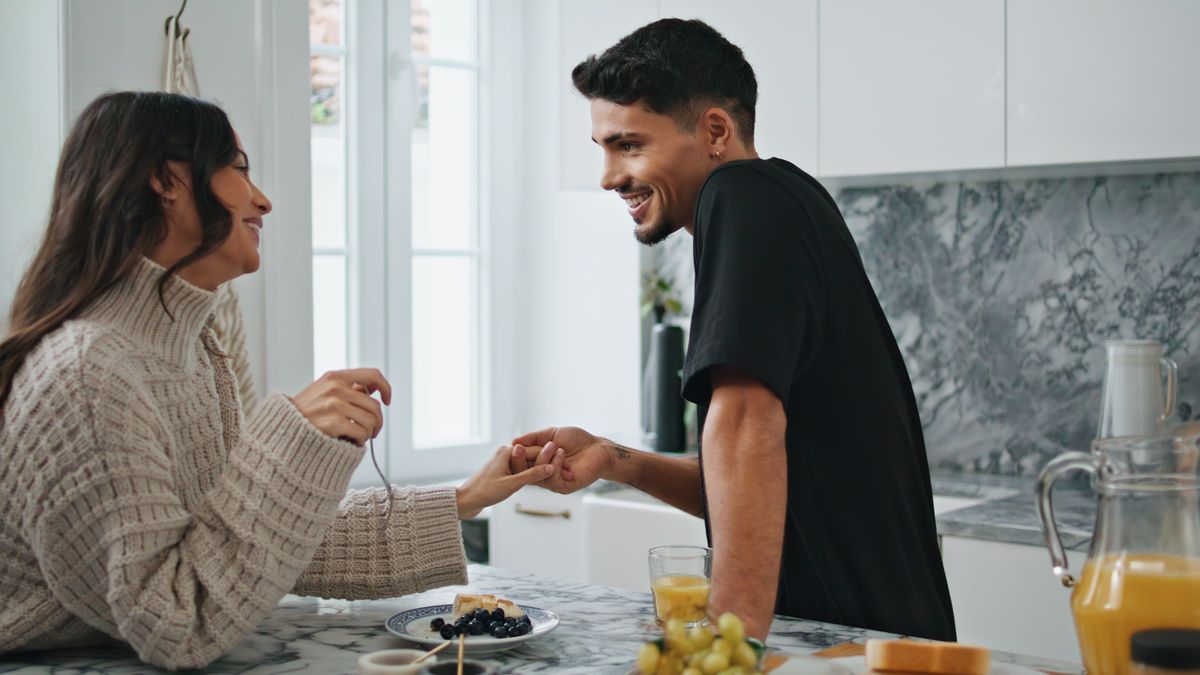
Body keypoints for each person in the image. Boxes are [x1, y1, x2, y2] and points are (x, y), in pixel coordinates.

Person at [0, 91, 562, 669]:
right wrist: (287, 438)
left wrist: (464, 499)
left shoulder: (191, 349)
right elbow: (180, 622)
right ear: (167, 180)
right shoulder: (88, 375)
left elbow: (255, 549)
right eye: (239, 169)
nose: (263, 200)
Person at [511, 19, 955, 641]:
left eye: (629, 145)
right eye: (602, 148)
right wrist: (615, 460)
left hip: (846, 644)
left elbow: (746, 426)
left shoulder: (741, 195)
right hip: (876, 637)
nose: (609, 176)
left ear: (715, 130)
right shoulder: (788, 198)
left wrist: (729, 645)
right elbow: (763, 476)